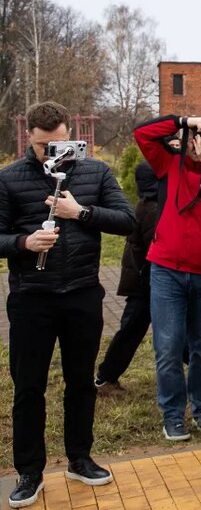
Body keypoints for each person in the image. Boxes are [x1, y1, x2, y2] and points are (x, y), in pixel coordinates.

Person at [1, 102, 136, 507]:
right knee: (29, 387)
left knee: (81, 382)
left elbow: (127, 220)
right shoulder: (9, 179)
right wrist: (24, 243)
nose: (51, 153)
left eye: (58, 145)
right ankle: (29, 471)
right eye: (43, 146)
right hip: (31, 298)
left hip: (81, 294)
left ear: (71, 134)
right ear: (30, 137)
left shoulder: (95, 171)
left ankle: (80, 458)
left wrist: (82, 212)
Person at [134, 111, 201, 442]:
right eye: (196, 139)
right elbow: (142, 133)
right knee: (168, 348)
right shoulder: (169, 165)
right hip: (167, 270)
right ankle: (173, 415)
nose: (199, 144)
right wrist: (184, 121)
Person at [94, 159, 159, 393]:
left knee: (168, 326)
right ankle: (105, 378)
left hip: (144, 278)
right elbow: (153, 249)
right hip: (145, 280)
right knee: (132, 329)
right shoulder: (153, 208)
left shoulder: (147, 204)